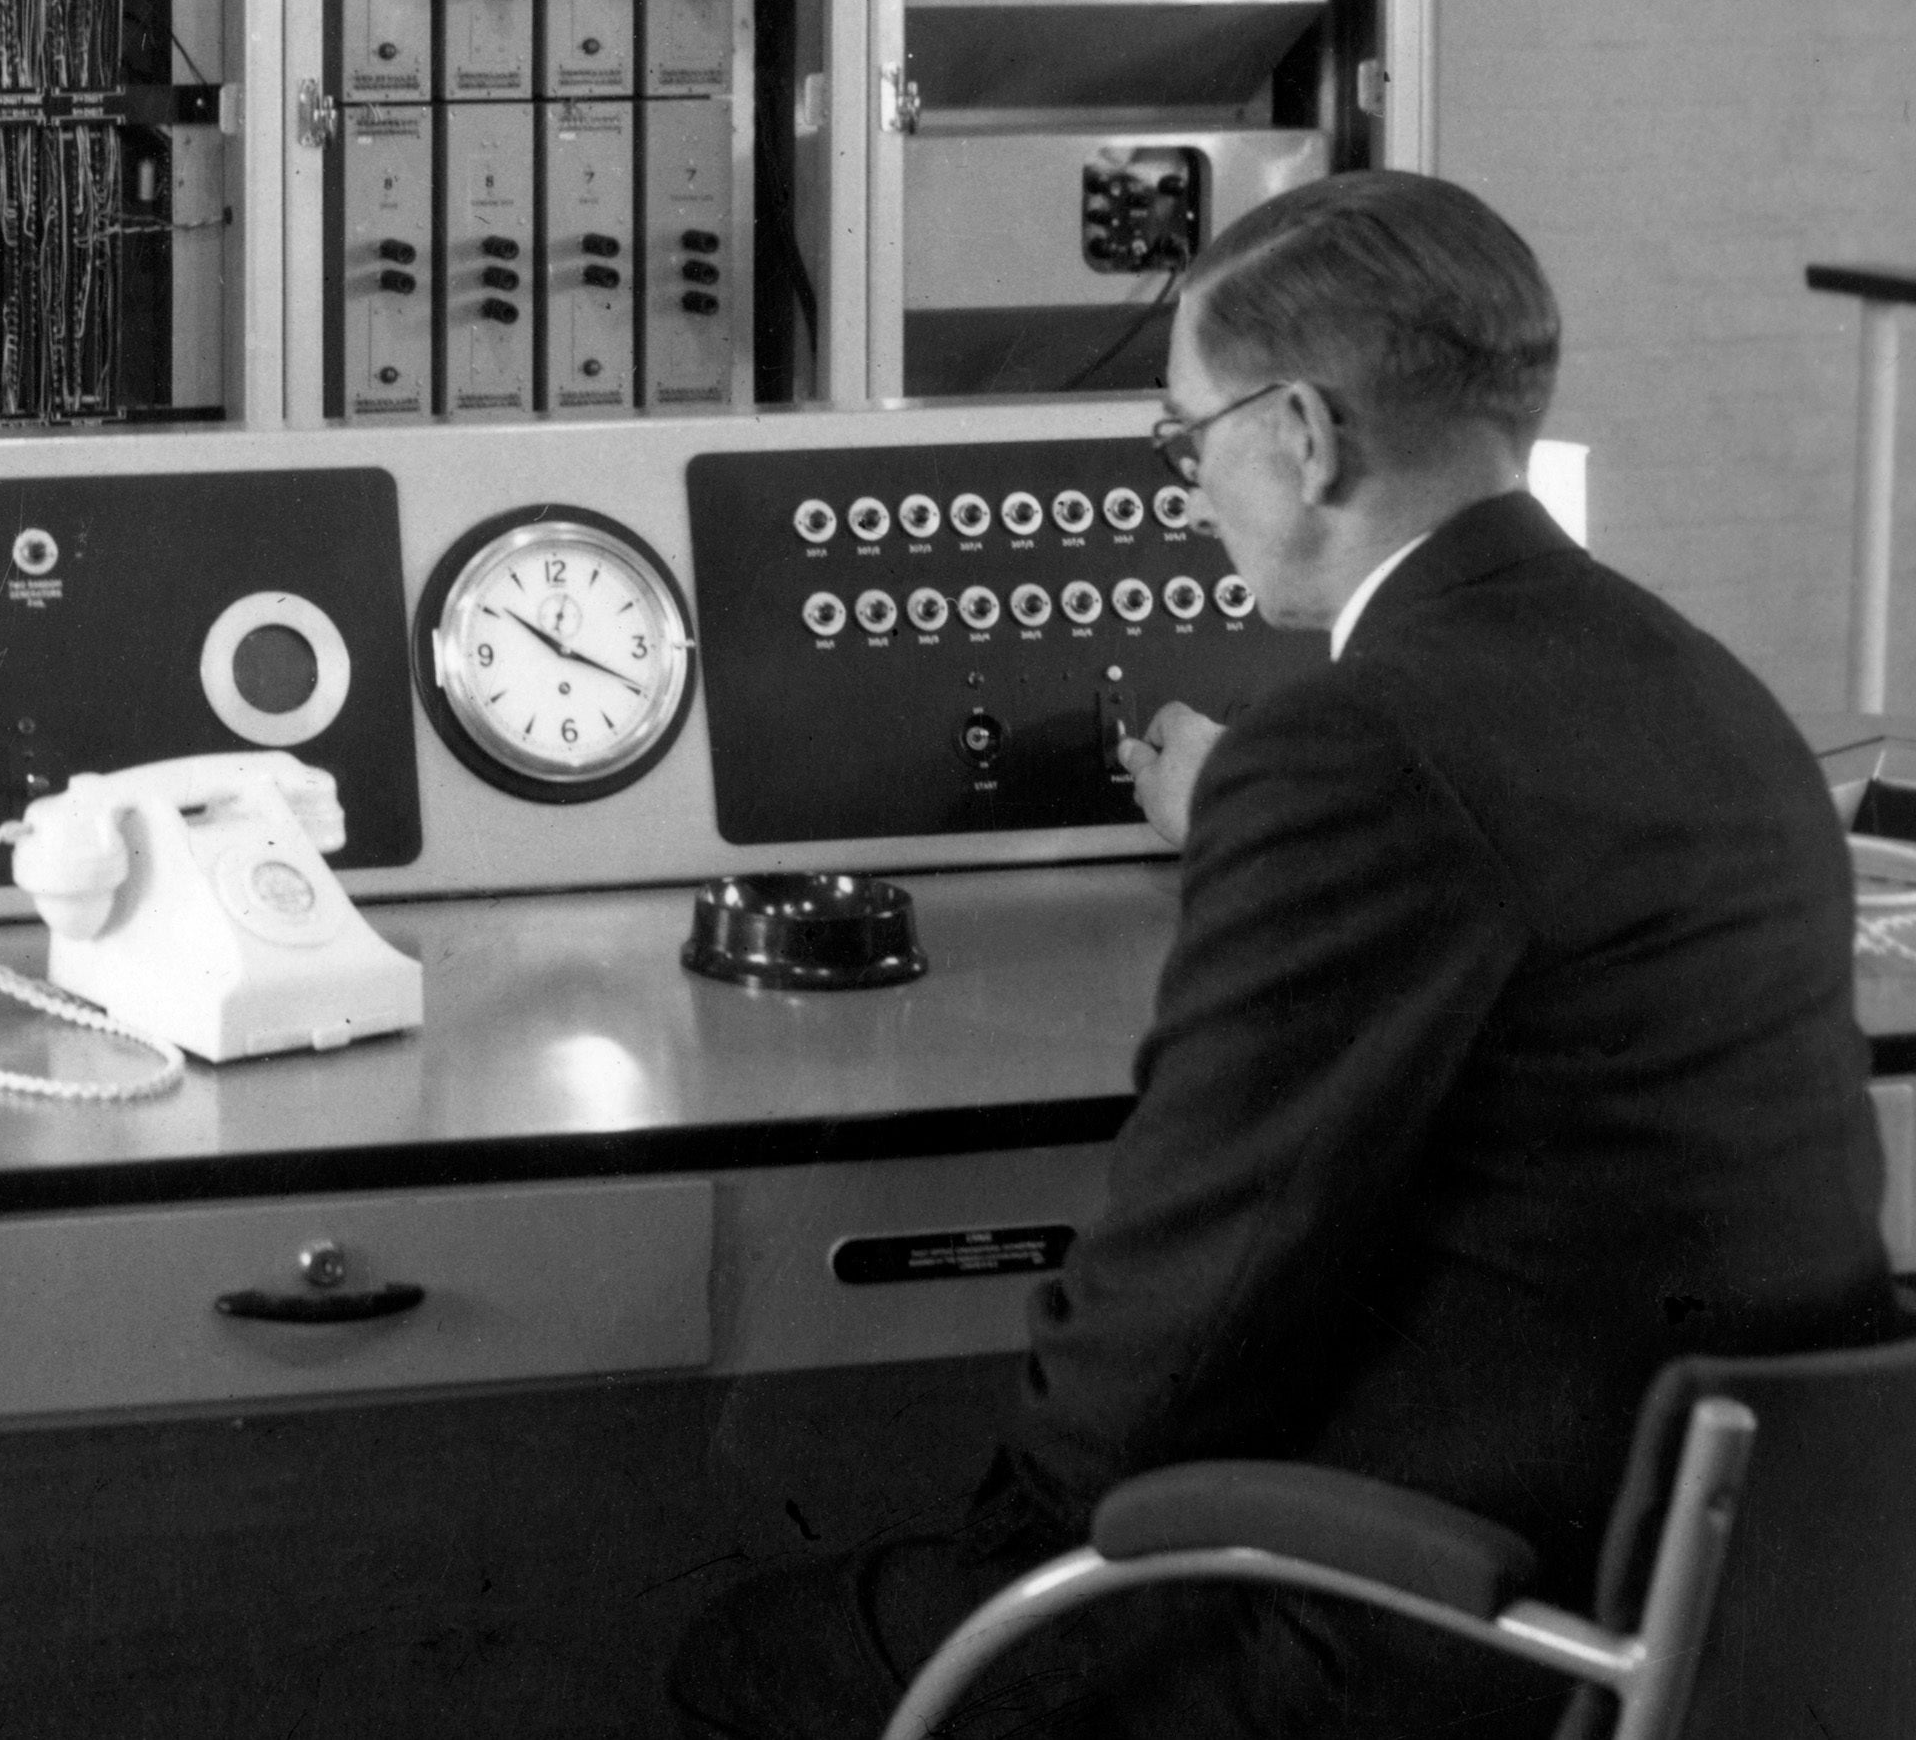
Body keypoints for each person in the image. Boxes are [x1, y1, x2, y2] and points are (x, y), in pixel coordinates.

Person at [670, 170, 1895, 1738]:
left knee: (745, 1654)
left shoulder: (1360, 744)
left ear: (1303, 437)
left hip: (1459, 1622)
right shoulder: (1700, 680)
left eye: (1188, 441)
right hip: (1753, 1594)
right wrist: (1243, 814)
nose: (1187, 492)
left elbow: (1198, 1286)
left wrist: (1012, 1576)